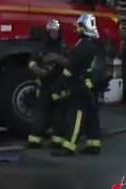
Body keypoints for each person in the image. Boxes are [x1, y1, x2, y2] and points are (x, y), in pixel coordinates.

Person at [54, 14, 104, 157]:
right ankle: (94, 145)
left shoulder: (84, 45)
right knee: (92, 115)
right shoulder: (93, 43)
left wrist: (60, 84)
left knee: (77, 114)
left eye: (80, 26)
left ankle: (69, 146)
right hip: (91, 84)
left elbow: (72, 65)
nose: (77, 29)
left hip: (81, 85)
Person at [26, 18, 69, 149]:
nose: (54, 34)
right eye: (51, 31)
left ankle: (57, 140)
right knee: (40, 112)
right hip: (45, 84)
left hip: (60, 85)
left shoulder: (63, 47)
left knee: (59, 112)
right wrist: (39, 71)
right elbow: (31, 63)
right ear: (47, 32)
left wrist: (57, 59)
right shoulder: (41, 47)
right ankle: (34, 139)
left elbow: (70, 63)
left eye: (56, 31)